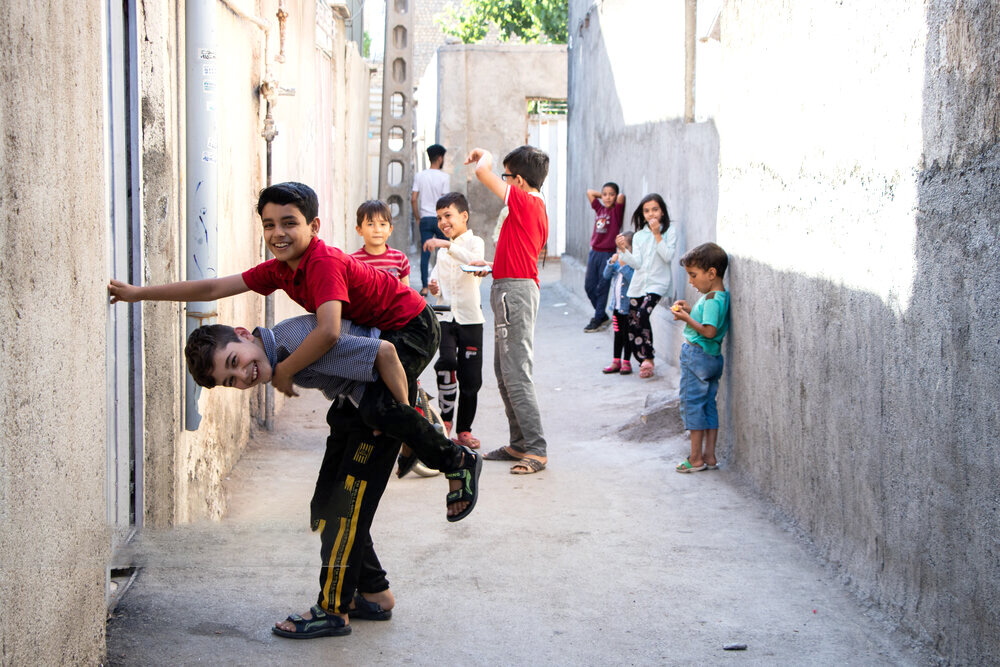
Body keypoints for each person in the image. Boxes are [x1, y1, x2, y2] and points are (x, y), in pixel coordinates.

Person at [107, 181, 479, 512]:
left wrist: (284, 370)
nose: (278, 233)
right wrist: (139, 294)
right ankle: (411, 418)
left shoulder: (322, 262)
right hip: (380, 329)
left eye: (289, 223)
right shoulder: (279, 269)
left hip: (411, 325)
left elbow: (328, 332)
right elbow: (213, 287)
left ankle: (457, 461)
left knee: (378, 410)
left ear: (313, 226)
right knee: (357, 413)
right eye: (269, 225)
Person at [183, 316, 481, 639]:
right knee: (326, 506)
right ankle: (374, 593)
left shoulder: (295, 343)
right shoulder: (282, 354)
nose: (243, 375)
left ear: (243, 334)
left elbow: (383, 352)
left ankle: (333, 608)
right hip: (352, 406)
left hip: (378, 405)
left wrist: (403, 416)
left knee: (345, 510)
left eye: (234, 361)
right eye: (231, 380)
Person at [464, 145, 549, 474]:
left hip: (515, 294)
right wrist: (491, 265)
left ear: (520, 181)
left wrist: (483, 155)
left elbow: (481, 172)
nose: (504, 182)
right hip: (510, 288)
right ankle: (520, 442)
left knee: (516, 373)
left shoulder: (526, 202)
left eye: (507, 176)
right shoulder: (531, 206)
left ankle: (536, 449)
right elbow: (519, 254)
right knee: (505, 372)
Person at [424, 192, 485, 450]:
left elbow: (474, 263)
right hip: (445, 318)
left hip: (471, 319)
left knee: (471, 379)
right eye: (439, 218)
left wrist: (448, 246)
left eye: (447, 215)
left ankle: (464, 430)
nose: (442, 222)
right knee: (446, 364)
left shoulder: (474, 243)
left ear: (464, 216)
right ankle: (445, 421)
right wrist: (433, 285)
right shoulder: (443, 251)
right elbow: (436, 281)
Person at [670, 242, 730, 473]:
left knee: (693, 405)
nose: (691, 281)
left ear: (711, 273)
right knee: (708, 406)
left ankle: (695, 458)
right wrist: (689, 310)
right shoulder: (719, 297)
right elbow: (706, 319)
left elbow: (709, 331)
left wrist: (686, 319)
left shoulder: (712, 300)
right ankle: (709, 456)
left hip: (697, 357)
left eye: (693, 275)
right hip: (712, 358)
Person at [615, 193, 677, 379]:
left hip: (658, 283)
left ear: (662, 212)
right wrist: (623, 250)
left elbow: (667, 256)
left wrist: (657, 235)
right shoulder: (639, 236)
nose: (651, 214)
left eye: (655, 210)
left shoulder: (669, 231)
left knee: (642, 314)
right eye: (647, 211)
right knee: (632, 322)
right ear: (642, 215)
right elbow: (637, 263)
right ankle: (643, 360)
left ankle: (649, 357)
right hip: (639, 285)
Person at [584, 183, 626, 332]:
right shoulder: (599, 209)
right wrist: (602, 197)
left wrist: (612, 198)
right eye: (605, 194)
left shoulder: (615, 212)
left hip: (607, 254)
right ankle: (601, 316)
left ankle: (598, 317)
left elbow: (621, 197)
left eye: (611, 194)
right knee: (589, 287)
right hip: (594, 252)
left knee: (602, 287)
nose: (607, 197)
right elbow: (589, 192)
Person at [411, 143, 451, 296]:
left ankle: (424, 287)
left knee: (425, 253)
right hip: (440, 219)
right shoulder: (444, 177)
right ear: (440, 158)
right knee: (444, 252)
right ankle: (442, 284)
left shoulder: (420, 176)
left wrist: (418, 217)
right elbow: (445, 201)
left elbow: (413, 199)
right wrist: (446, 219)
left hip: (425, 218)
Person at [351, 200, 411, 286]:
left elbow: (406, 292)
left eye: (382, 224)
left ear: (390, 229)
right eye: (370, 224)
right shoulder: (353, 262)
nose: (377, 230)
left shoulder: (400, 259)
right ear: (359, 230)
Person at [601, 231, 635, 375]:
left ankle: (626, 361)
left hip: (627, 307)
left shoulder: (632, 265)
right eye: (619, 248)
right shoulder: (615, 263)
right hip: (616, 307)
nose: (621, 251)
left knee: (627, 334)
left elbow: (632, 280)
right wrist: (611, 263)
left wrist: (623, 265)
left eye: (625, 248)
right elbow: (605, 275)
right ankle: (616, 361)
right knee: (617, 333)